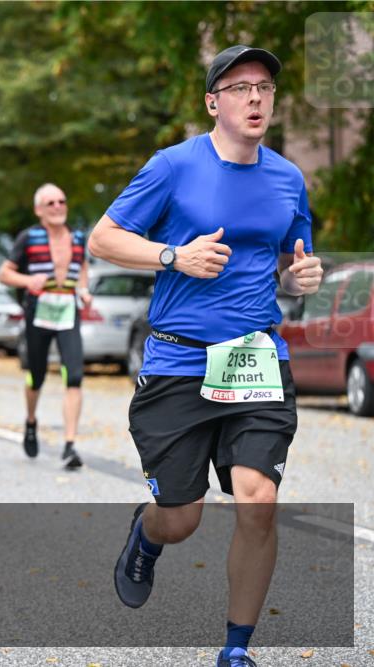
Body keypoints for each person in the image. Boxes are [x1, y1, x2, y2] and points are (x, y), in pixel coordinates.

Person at [88, 46, 323, 667]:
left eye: (265, 88)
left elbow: (289, 263)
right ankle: (147, 532)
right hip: (179, 362)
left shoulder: (287, 178)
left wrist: (300, 278)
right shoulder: (172, 167)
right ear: (212, 101)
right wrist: (173, 256)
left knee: (258, 498)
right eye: (240, 87)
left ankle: (236, 649)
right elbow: (104, 238)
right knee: (181, 518)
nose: (255, 98)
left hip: (255, 358)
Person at [0, 183, 91, 468]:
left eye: (61, 201)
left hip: (67, 311)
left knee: (74, 375)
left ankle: (70, 445)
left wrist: (84, 290)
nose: (57, 206)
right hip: (38, 311)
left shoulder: (77, 237)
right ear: (39, 210)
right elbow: (4, 273)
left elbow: (83, 268)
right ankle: (30, 421)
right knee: (35, 376)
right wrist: (29, 282)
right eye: (50, 203)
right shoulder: (29, 237)